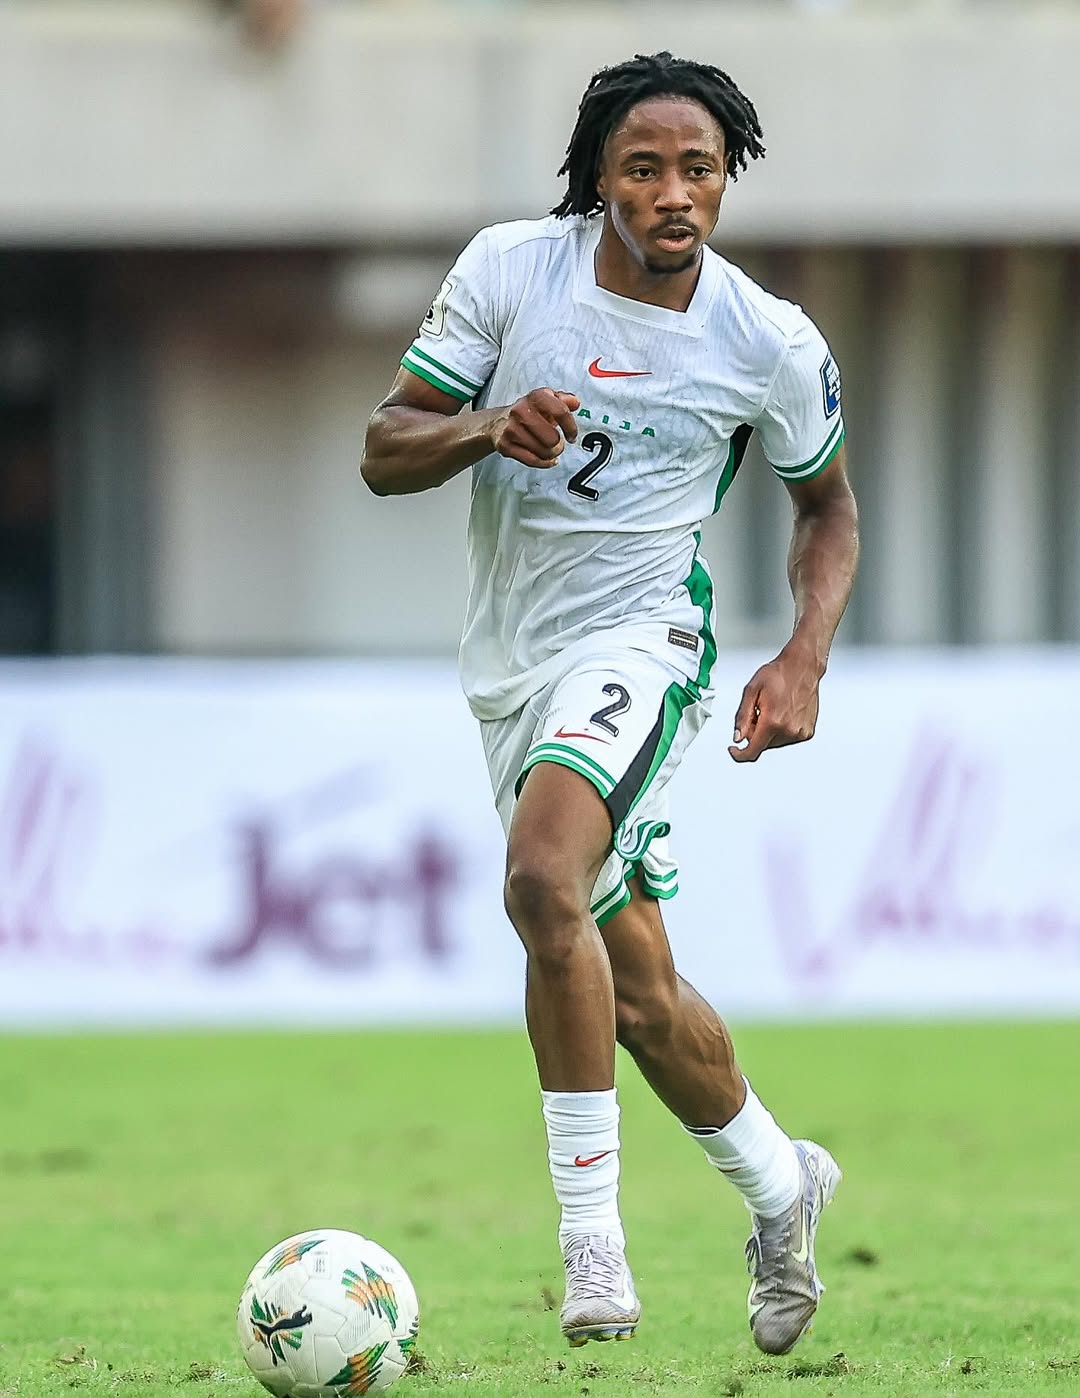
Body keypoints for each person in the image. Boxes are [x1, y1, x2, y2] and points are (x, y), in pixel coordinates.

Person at [360, 51, 859, 1354]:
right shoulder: (509, 271)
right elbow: (381, 445)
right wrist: (480, 429)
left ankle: (593, 1250)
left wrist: (802, 649)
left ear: (724, 180)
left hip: (647, 643)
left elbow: (828, 506)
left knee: (541, 881)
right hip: (510, 662)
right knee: (633, 987)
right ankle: (778, 1184)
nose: (675, 191)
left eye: (699, 167)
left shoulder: (766, 337)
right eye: (646, 166)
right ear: (600, 179)